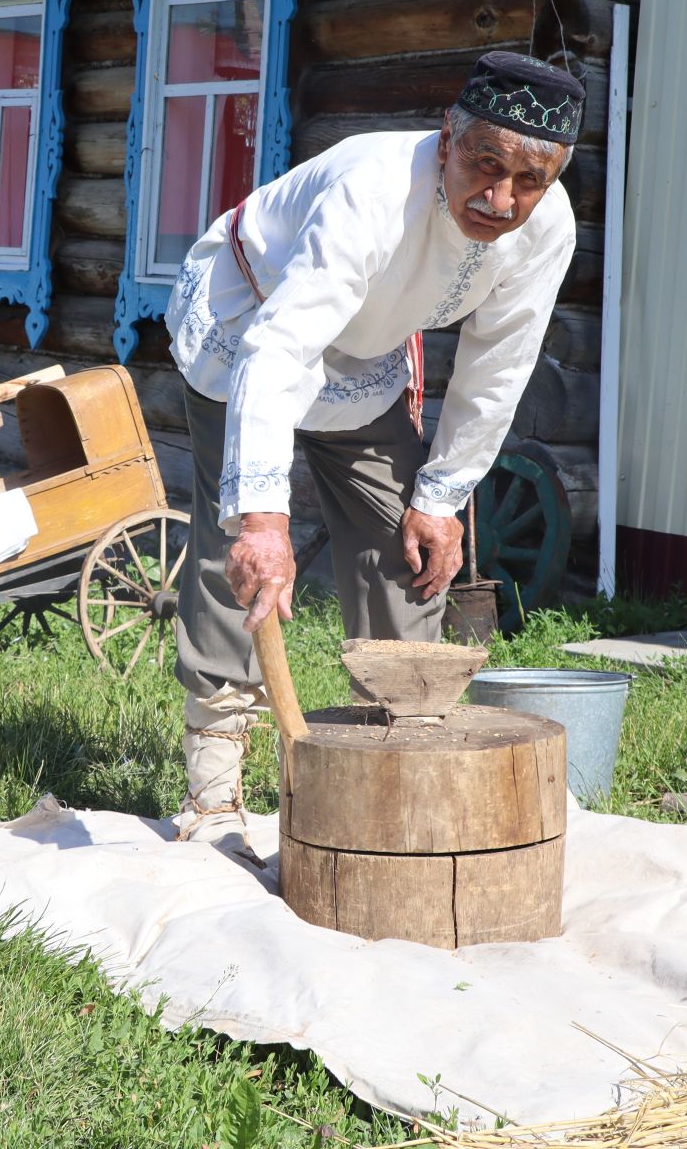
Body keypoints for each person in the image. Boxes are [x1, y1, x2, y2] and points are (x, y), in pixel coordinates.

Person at [164, 50, 583, 841]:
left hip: (367, 352)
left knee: (407, 548)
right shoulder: (373, 188)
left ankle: (396, 764)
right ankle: (214, 794)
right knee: (237, 557)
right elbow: (281, 347)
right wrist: (261, 521)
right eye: (484, 165)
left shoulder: (545, 228)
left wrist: (443, 496)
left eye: (531, 180)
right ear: (446, 138)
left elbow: (501, 362)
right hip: (250, 319)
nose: (501, 198)